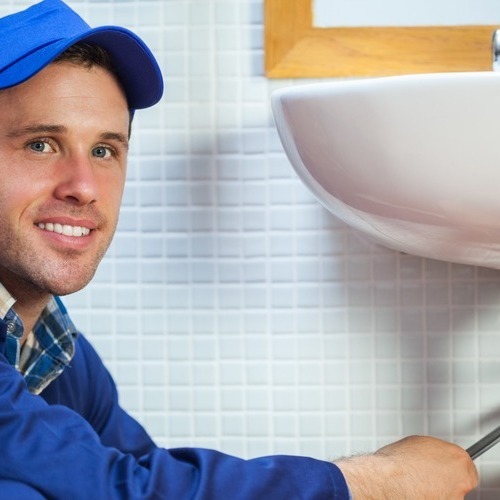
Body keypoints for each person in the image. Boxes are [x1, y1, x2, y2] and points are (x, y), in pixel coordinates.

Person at [0, 1, 478, 498]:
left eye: (104, 151)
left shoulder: (54, 347)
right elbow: (122, 491)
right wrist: (371, 484)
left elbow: (136, 471)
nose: (84, 186)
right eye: (41, 144)